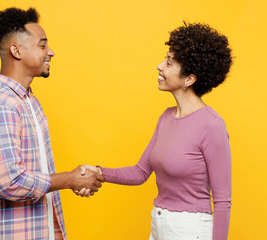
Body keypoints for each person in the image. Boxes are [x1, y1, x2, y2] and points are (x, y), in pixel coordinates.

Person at [79, 22, 232, 240]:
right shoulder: (166, 117)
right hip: (159, 224)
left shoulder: (212, 125)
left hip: (190, 230)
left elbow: (222, 200)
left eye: (169, 63)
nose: (160, 66)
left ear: (189, 79)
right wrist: (99, 172)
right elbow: (141, 172)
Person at [0, 7, 104, 240]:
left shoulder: (29, 101)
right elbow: (9, 182)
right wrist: (70, 179)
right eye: (42, 45)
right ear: (16, 50)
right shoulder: (1, 105)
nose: (50, 52)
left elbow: (39, 178)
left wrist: (56, 231)